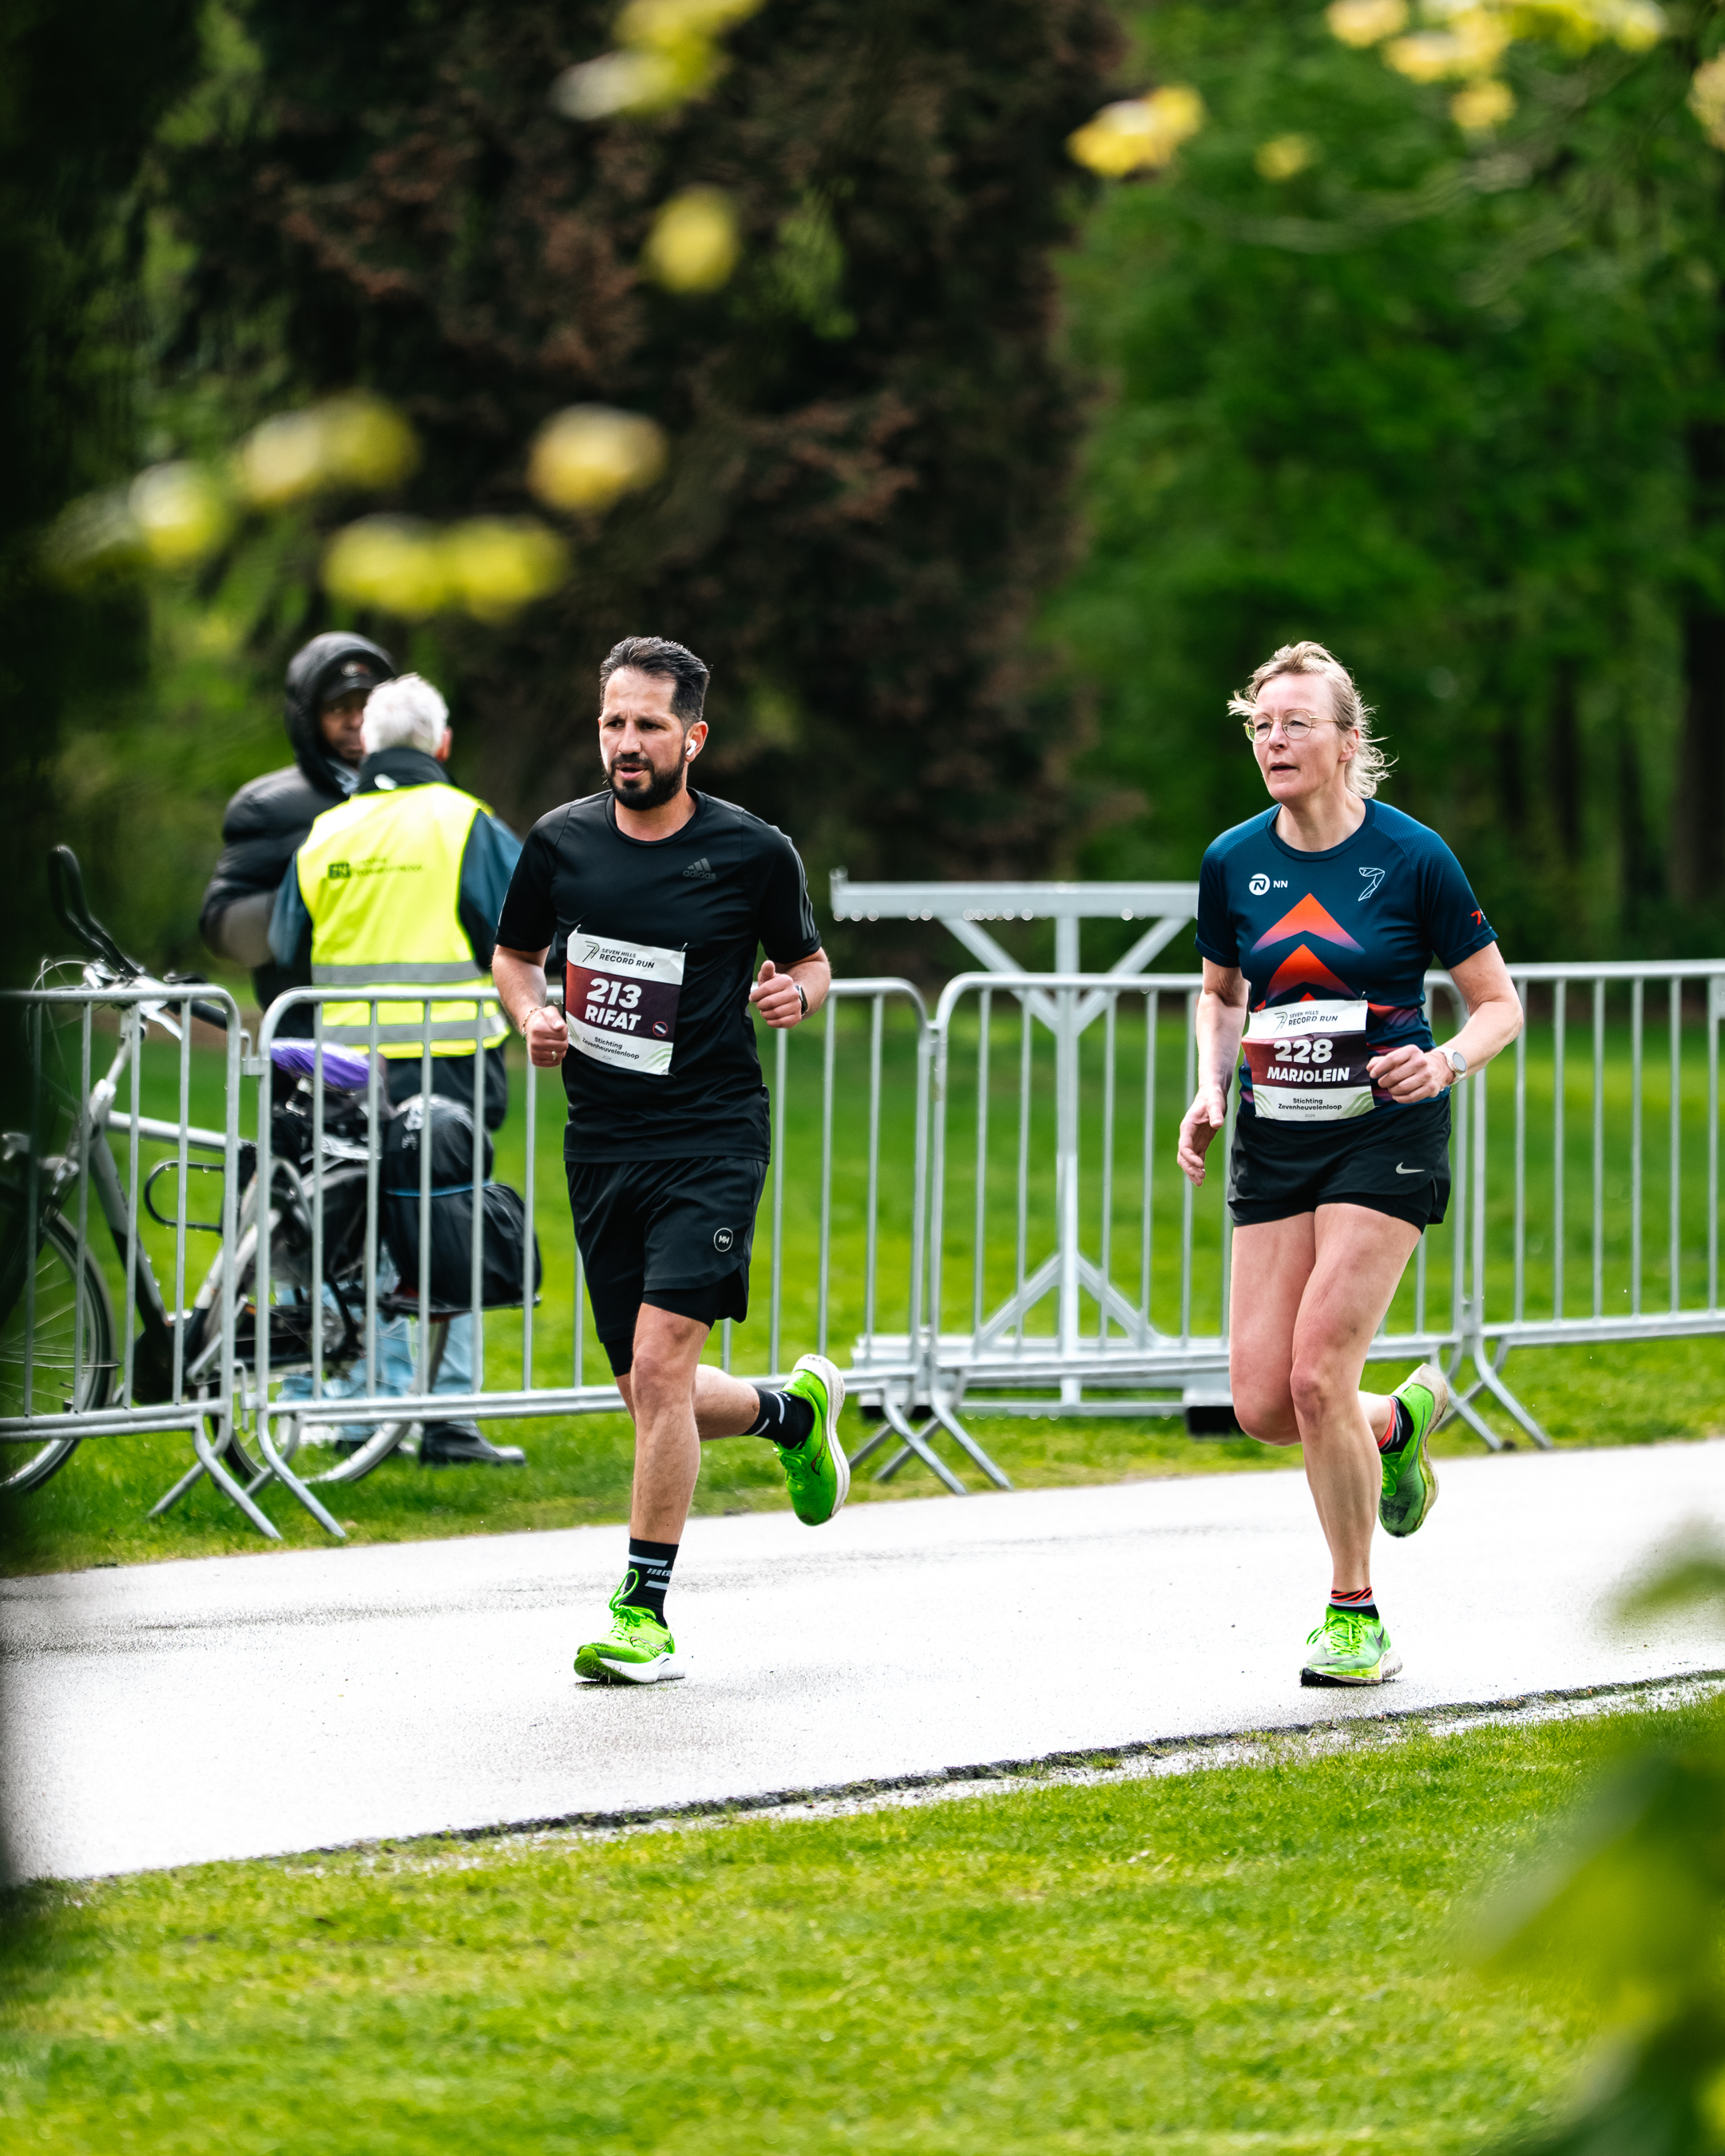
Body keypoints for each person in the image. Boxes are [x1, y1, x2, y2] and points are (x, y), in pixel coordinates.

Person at [492, 635, 846, 1686]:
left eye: (649, 724)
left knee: (660, 1369)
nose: (627, 742)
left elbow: (810, 962)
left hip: (711, 1135)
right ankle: (791, 1416)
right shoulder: (560, 843)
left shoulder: (752, 851)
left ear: (693, 737)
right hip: (602, 1142)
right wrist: (532, 1015)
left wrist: (794, 995)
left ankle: (642, 1613)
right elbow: (515, 956)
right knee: (648, 1394)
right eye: (614, 721)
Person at [1176, 640, 1523, 1688]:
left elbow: (1499, 1004)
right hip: (1276, 1132)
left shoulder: (1414, 857)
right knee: (1264, 1403)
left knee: (1317, 1373)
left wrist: (1446, 1061)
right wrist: (1210, 1086)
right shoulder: (1233, 859)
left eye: (1296, 724)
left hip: (1385, 1132)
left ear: (1346, 742)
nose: (1274, 741)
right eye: (1261, 726)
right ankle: (1396, 1422)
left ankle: (1354, 1612)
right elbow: (1222, 994)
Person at [269, 672, 526, 1468]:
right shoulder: (467, 824)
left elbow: (285, 947)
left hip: (346, 1069)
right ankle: (446, 1419)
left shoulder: (326, 833)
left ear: (369, 747)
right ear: (441, 744)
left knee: (353, 1232)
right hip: (450, 1062)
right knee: (449, 1227)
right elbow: (521, 931)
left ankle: (362, 1412)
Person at [200, 633, 397, 1019]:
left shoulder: (432, 796)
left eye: (368, 705)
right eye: (338, 707)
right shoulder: (265, 807)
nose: (356, 721)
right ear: (307, 717)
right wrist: (316, 896)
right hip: (313, 1038)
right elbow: (222, 930)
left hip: (425, 1032)